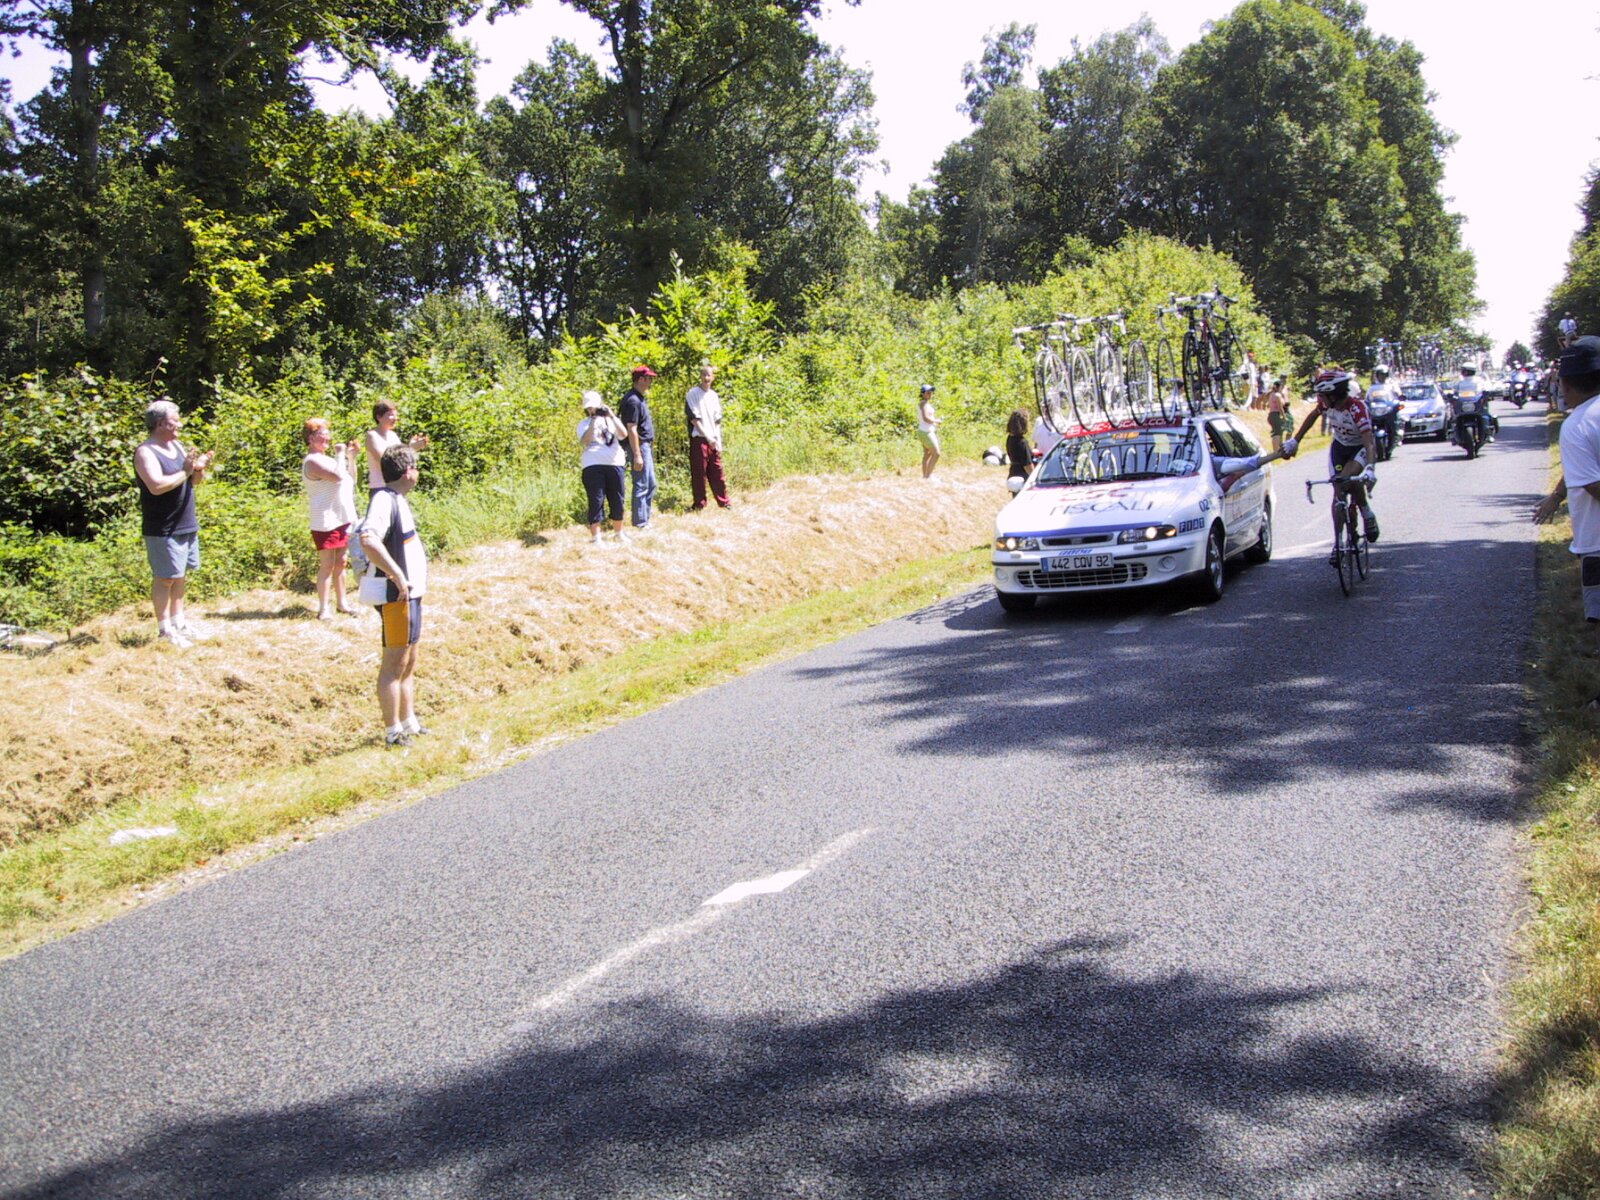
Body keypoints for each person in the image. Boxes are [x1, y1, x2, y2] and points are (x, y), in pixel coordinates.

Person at [1534, 336, 1600, 706]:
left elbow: (1591, 483)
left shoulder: (1576, 425)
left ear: (1568, 383)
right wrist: (1556, 496)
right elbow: (1583, 467)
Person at [359, 445, 429, 747]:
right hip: (396, 594)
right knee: (393, 664)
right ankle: (393, 731)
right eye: (416, 466)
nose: (418, 472)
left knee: (409, 659)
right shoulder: (383, 500)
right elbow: (368, 539)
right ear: (408, 471)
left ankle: (409, 721)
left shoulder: (397, 498)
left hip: (410, 593)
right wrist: (397, 574)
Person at [134, 399, 214, 648]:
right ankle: (164, 630)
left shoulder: (177, 446)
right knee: (165, 578)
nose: (179, 424)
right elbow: (156, 486)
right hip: (163, 527)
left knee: (180, 576)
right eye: (175, 421)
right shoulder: (145, 452)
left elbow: (193, 483)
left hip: (186, 522)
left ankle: (179, 623)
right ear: (160, 423)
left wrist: (198, 469)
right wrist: (186, 471)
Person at [1283, 367, 1380, 560]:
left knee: (1347, 480)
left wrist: (1370, 468)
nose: (1320, 399)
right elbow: (1312, 417)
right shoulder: (1327, 404)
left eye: (1322, 395)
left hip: (1359, 448)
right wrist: (1296, 441)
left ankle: (1366, 512)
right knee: (1338, 494)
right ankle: (1338, 543)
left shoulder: (1357, 409)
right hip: (1339, 448)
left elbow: (1369, 442)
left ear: (1333, 395)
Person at [301, 418, 361, 618]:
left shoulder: (328, 459)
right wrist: (340, 454)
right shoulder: (312, 461)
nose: (327, 437)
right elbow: (337, 476)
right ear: (311, 438)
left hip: (341, 517)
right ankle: (323, 609)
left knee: (341, 562)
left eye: (328, 433)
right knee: (327, 565)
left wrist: (350, 457)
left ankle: (342, 603)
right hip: (325, 520)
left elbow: (350, 479)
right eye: (322, 434)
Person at [578, 390, 629, 545]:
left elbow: (624, 434)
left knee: (617, 499)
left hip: (615, 462)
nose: (592, 410)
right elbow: (585, 441)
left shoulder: (611, 420)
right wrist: (593, 421)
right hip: (593, 463)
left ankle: (619, 533)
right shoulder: (584, 424)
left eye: (594, 407)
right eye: (589, 408)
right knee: (596, 499)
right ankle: (596, 537)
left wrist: (611, 415)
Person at [685, 363, 732, 510]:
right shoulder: (692, 394)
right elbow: (694, 419)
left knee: (717, 472)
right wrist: (707, 437)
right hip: (699, 438)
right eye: (704, 375)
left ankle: (724, 502)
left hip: (713, 439)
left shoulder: (713, 396)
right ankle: (699, 504)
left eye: (709, 375)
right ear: (700, 376)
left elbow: (717, 421)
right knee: (699, 473)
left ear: (713, 377)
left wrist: (717, 440)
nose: (706, 378)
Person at [618, 365, 658, 528]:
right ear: (641, 379)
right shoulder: (633, 400)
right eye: (649, 379)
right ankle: (640, 522)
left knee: (651, 483)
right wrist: (637, 455)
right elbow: (631, 429)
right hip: (639, 446)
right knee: (642, 484)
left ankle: (644, 519)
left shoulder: (639, 398)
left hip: (644, 446)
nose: (651, 382)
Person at [364, 401, 430, 498]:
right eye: (390, 415)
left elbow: (400, 461)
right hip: (379, 487)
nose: (395, 418)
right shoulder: (372, 436)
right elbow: (386, 461)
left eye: (396, 415)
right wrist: (409, 448)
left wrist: (412, 447)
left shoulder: (393, 435)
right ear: (379, 417)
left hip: (397, 487)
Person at [916, 383, 942, 478]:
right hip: (926, 432)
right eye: (927, 393)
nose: (930, 394)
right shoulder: (923, 403)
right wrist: (936, 421)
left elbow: (926, 419)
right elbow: (926, 418)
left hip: (924, 431)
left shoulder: (925, 403)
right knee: (936, 453)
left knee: (927, 455)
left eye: (931, 392)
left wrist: (934, 422)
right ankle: (929, 476)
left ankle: (925, 477)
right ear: (922, 393)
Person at [1264, 376, 1293, 452]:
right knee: (1277, 433)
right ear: (1278, 387)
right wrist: (1284, 417)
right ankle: (1276, 451)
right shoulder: (1278, 395)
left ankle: (1278, 449)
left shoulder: (1271, 394)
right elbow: (1280, 408)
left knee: (1276, 432)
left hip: (1271, 415)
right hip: (1275, 415)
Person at [1005, 409, 1032, 482]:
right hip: (1022, 478)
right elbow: (1028, 466)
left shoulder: (1010, 438)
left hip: (1013, 474)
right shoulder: (1022, 442)